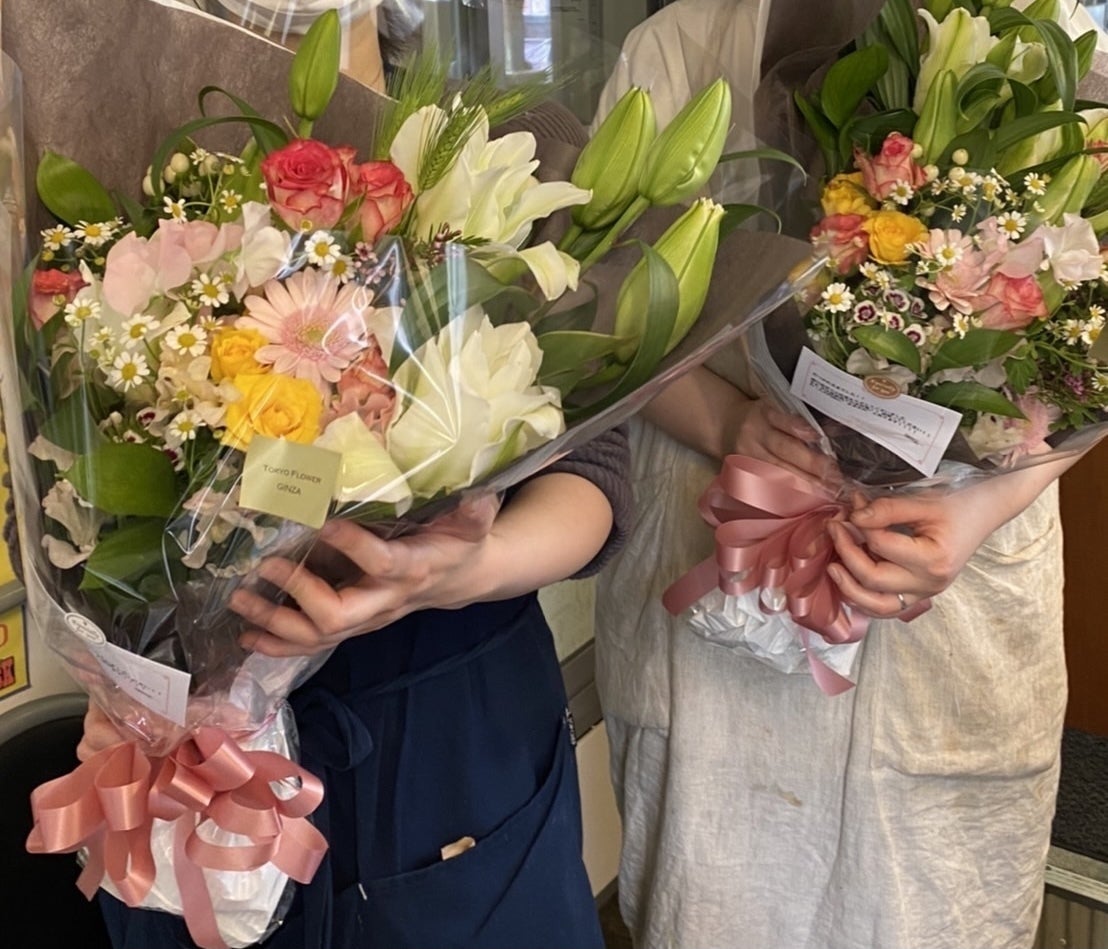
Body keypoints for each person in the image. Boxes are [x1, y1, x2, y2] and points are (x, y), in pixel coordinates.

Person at [68, 3, 630, 948]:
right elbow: (69, 486)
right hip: (184, 750)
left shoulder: (497, 142)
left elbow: (600, 478)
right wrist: (124, 674)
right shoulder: (122, 150)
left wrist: (464, 568)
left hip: (446, 722)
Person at [591, 1, 1104, 947]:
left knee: (938, 905)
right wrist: (727, 418)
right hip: (718, 540)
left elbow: (1088, 359)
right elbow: (609, 307)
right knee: (715, 900)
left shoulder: (1056, 49)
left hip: (952, 574)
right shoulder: (675, 45)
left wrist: (985, 506)